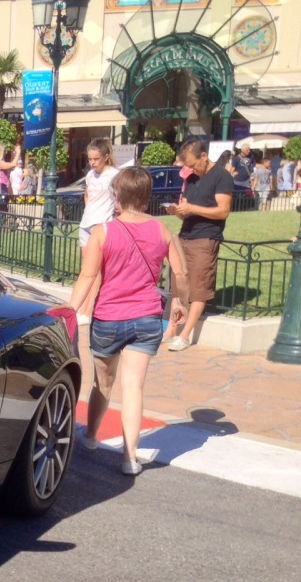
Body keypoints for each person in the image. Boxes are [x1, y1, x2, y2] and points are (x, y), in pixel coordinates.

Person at [68, 165, 190, 476]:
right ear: (148, 196)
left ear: (117, 196)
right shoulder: (162, 230)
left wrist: (69, 311)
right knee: (134, 387)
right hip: (147, 318)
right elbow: (181, 273)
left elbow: (87, 276)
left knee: (103, 384)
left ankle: (92, 436)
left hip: (108, 317)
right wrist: (179, 302)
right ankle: (130, 457)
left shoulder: (103, 232)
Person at [167, 137, 233, 351]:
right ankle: (172, 329)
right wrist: (178, 212)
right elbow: (186, 211)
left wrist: (193, 209)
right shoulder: (192, 178)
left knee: (199, 286)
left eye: (193, 164)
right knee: (177, 284)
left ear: (204, 156)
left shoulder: (221, 176)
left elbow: (223, 211)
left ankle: (185, 335)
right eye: (186, 165)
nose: (190, 169)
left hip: (205, 237)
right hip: (186, 234)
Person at [80, 138, 119, 248]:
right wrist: (89, 209)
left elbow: (121, 197)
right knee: (87, 263)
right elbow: (87, 194)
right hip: (85, 223)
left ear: (106, 157)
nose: (92, 162)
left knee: (101, 261)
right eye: (90, 159)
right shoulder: (90, 174)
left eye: (96, 159)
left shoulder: (114, 174)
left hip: (102, 223)